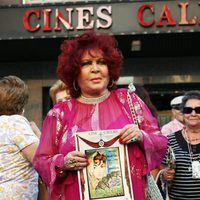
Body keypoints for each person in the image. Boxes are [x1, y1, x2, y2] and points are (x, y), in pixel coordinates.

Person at [33, 30, 168, 200]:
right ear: (74, 71)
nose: (95, 69)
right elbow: (41, 161)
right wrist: (63, 163)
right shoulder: (59, 114)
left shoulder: (129, 101)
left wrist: (141, 135)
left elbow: (161, 142)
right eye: (86, 63)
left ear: (109, 67)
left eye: (101, 62)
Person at [0, 75, 39, 199]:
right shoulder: (16, 123)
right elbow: (39, 158)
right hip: (16, 195)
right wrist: (39, 134)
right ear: (22, 103)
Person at [160, 90, 200, 199]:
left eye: (198, 110)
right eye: (188, 110)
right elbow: (161, 170)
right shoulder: (169, 140)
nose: (193, 114)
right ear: (183, 113)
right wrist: (165, 174)